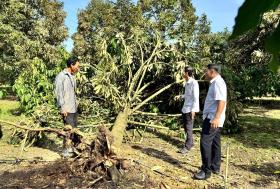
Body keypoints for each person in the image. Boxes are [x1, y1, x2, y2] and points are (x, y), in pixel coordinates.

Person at [194, 63, 227, 180]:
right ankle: (215, 167)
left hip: (213, 119)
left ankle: (206, 171)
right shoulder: (217, 82)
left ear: (212, 72)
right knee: (215, 143)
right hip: (215, 118)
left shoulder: (218, 83)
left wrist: (216, 118)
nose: (205, 73)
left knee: (205, 143)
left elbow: (221, 101)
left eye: (206, 71)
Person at [54, 56, 80, 157]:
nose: (78, 68)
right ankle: (65, 152)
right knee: (68, 131)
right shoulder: (61, 76)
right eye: (77, 66)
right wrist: (62, 107)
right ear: (71, 65)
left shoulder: (72, 76)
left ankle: (72, 150)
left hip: (73, 108)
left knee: (74, 130)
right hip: (67, 109)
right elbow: (58, 93)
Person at [179, 66, 200, 154]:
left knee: (189, 128)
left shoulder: (194, 83)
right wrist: (181, 96)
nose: (182, 73)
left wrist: (194, 110)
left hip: (190, 109)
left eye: (183, 72)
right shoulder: (187, 82)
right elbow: (188, 95)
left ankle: (187, 147)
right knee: (186, 127)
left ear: (187, 73)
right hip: (185, 108)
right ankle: (190, 142)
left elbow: (195, 97)